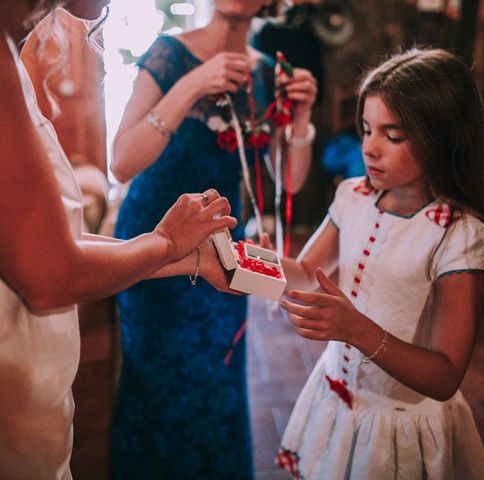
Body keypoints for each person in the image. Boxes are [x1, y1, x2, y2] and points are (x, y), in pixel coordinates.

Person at [0, 1, 238, 479]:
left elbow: (47, 246)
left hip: (7, 423)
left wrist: (184, 258)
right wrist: (163, 242)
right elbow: (50, 277)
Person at [109, 0, 317, 478]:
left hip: (224, 251)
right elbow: (120, 161)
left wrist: (300, 116)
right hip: (155, 248)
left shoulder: (266, 73)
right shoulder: (167, 55)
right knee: (158, 380)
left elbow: (289, 182)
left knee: (219, 375)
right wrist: (190, 86)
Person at [273, 49, 484, 479]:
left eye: (393, 136)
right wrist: (247, 262)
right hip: (337, 396)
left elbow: (445, 375)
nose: (370, 149)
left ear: (443, 137)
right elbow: (305, 273)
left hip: (398, 423)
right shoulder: (353, 195)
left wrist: (355, 329)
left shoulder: (461, 235)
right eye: (366, 130)